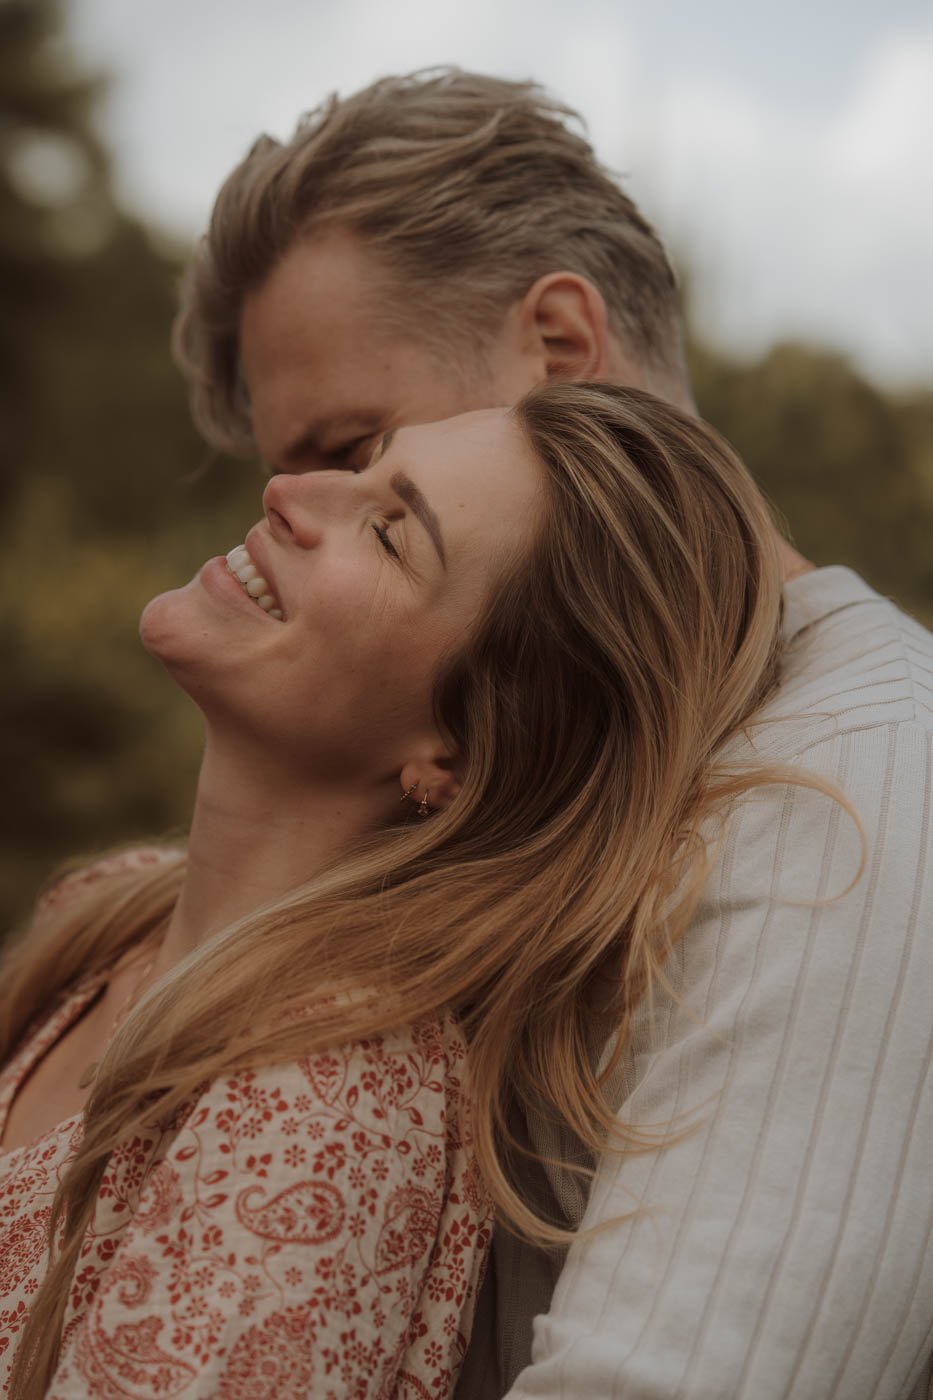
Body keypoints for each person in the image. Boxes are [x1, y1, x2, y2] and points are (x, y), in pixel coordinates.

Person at [170, 69, 933, 1399]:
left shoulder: (862, 793)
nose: (293, 510)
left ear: (564, 349)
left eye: (356, 447)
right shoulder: (498, 783)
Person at [2, 383, 802, 1397]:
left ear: (459, 749)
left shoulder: (324, 1109)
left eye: (389, 533)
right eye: (364, 464)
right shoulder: (103, 917)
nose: (290, 490)